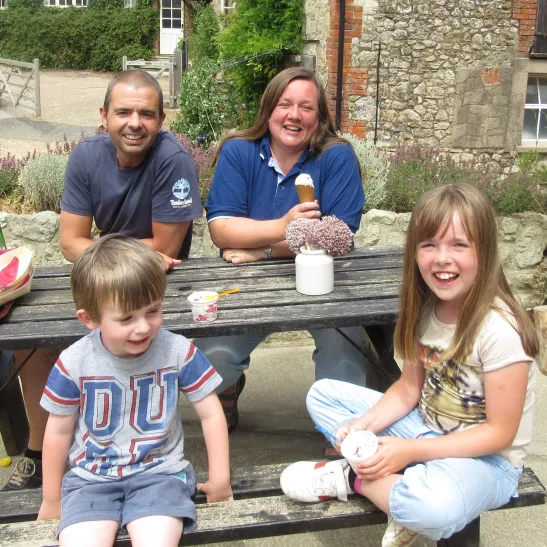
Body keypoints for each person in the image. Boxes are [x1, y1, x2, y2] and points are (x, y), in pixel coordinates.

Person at [280, 183, 538, 546]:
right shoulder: (426, 308)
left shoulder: (499, 329)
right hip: (426, 429)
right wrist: (363, 425)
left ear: (486, 252)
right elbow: (409, 388)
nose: (442, 258)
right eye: (429, 244)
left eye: (459, 245)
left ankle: (356, 480)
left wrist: (409, 452)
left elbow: (499, 434)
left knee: (434, 510)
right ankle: (399, 481)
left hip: (487, 462)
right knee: (322, 395)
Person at [2, 69, 202, 492]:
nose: (135, 123)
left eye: (146, 113)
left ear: (161, 121)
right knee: (34, 340)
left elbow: (165, 247)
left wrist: (99, 248)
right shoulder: (85, 156)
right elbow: (69, 241)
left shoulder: (174, 161)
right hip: (102, 277)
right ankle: (40, 452)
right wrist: (113, 254)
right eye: (124, 112)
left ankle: (144, 446)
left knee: (145, 340)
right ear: (104, 116)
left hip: (161, 288)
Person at [195, 67, 372, 432]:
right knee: (211, 362)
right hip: (248, 282)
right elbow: (223, 231)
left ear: (319, 117)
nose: (294, 115)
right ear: (268, 110)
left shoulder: (336, 157)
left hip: (325, 281)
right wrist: (286, 226)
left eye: (306, 107)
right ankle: (227, 390)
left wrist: (264, 250)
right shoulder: (238, 151)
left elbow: (337, 236)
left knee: (344, 350)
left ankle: (344, 431)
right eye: (285, 104)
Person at [37, 234, 232, 547]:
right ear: (90, 319)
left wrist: (220, 478)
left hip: (160, 475)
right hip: (90, 479)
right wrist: (51, 499)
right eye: (126, 318)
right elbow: (57, 433)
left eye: (152, 311)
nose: (143, 327)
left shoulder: (179, 352)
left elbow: (211, 414)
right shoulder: (72, 363)